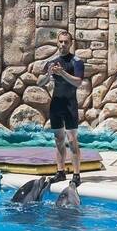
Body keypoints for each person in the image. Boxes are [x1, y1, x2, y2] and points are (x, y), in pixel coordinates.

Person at [41, 31, 86, 185]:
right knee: (58, 139)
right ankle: (60, 172)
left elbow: (78, 82)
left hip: (70, 104)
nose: (63, 44)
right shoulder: (52, 61)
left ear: (71, 43)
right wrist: (48, 74)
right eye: (60, 41)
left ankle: (76, 175)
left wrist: (62, 72)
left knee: (72, 139)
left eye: (66, 42)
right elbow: (39, 83)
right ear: (57, 43)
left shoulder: (76, 62)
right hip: (56, 104)